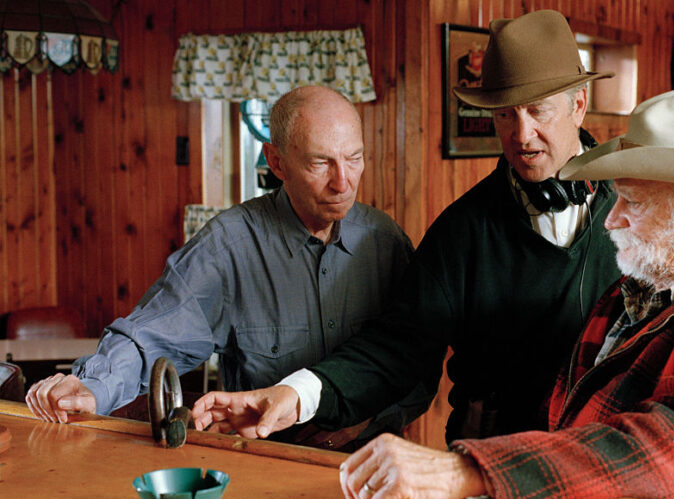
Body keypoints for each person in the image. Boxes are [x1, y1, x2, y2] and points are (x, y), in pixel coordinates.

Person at [336, 82, 674, 499]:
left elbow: (670, 450)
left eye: (635, 202)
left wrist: (468, 472)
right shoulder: (649, 280)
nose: (611, 220)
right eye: (617, 198)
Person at [190, 10, 621, 445]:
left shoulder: (637, 210)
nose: (522, 133)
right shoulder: (461, 231)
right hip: (489, 459)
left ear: (578, 105)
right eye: (506, 115)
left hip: (608, 454)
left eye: (537, 111)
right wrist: (294, 394)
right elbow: (395, 348)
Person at [25, 85, 416, 449]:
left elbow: (419, 355)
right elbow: (152, 336)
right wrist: (94, 387)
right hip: (269, 465)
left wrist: (367, 421)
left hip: (378, 458)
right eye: (320, 163)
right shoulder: (228, 246)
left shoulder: (385, 241)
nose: (343, 182)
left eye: (355, 158)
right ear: (276, 162)